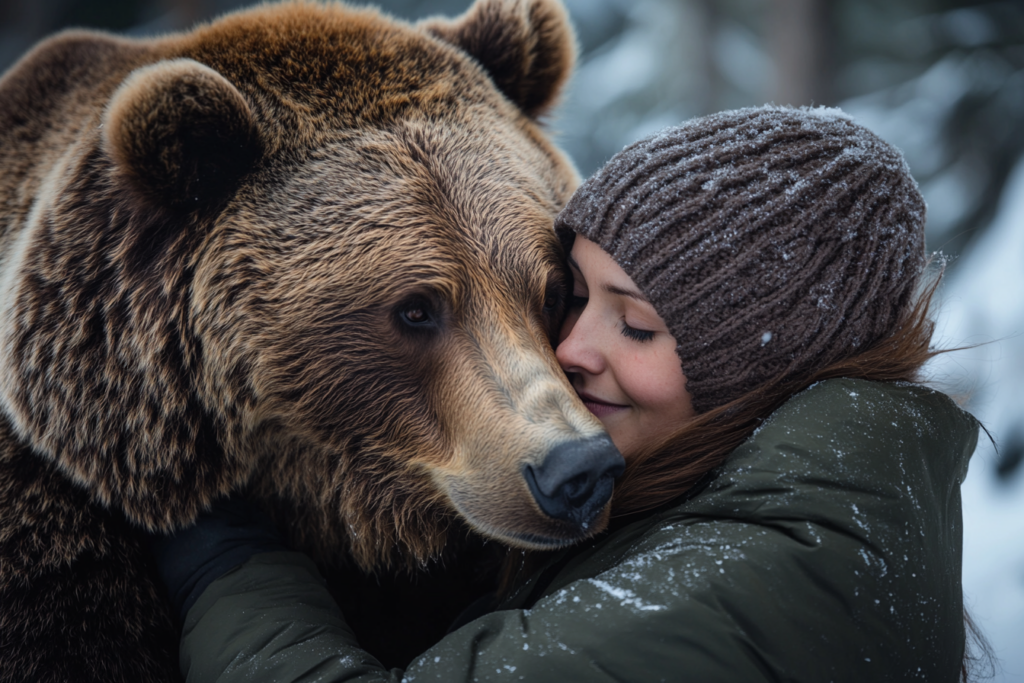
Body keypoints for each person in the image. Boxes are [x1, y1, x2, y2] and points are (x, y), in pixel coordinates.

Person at [149, 106, 984, 682]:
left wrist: (228, 566)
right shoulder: (816, 491)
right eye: (568, 297)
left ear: (762, 364)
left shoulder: (778, 577)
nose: (569, 351)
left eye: (639, 327)